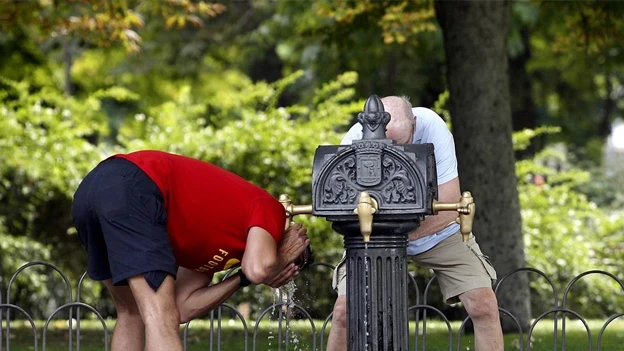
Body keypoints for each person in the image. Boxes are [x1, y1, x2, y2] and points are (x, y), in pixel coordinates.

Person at [72, 150, 311, 351]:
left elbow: (182, 308)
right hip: (135, 184)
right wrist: (275, 263)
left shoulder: (218, 251)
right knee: (160, 319)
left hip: (92, 190)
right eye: (291, 262)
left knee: (133, 313)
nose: (285, 273)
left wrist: (241, 279)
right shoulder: (270, 209)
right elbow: (260, 269)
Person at [326, 96, 503, 351]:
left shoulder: (432, 125)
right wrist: (382, 236)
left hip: (437, 233)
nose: (394, 152)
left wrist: (398, 235)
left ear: (414, 123)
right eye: (388, 145)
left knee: (484, 306)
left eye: (402, 143)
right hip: (372, 239)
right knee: (344, 313)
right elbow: (343, 208)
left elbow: (451, 203)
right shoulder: (354, 137)